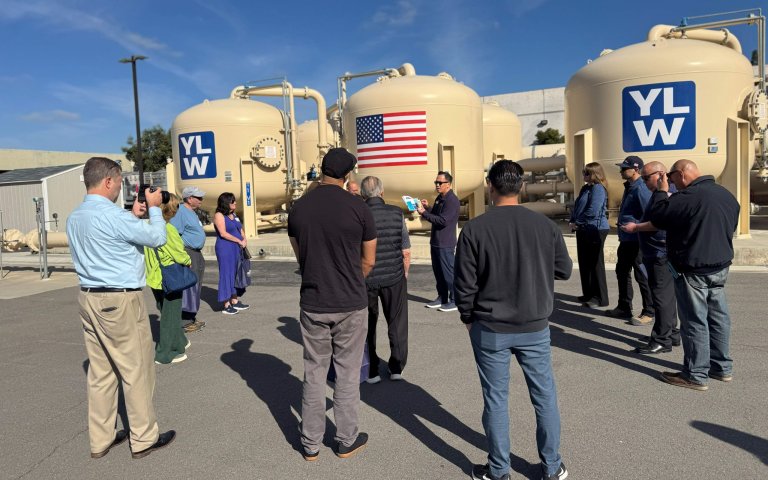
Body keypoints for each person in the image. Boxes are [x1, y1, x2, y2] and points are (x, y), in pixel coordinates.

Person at [455, 160, 571, 480]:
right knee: (544, 396)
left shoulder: (475, 229)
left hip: (490, 327)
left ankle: (499, 469)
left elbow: (463, 284)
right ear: (521, 187)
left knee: (496, 399)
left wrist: (467, 317)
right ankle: (551, 466)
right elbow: (563, 270)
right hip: (534, 326)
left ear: (490, 187)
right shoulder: (544, 226)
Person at [67, 157, 175, 459]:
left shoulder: (75, 216)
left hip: (88, 297)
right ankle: (143, 438)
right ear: (109, 182)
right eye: (118, 181)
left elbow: (114, 237)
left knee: (101, 373)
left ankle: (100, 439)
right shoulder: (114, 216)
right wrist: (153, 207)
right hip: (119, 300)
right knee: (136, 370)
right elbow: (156, 237)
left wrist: (134, 214)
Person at [288, 148, 377, 461]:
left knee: (314, 372)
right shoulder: (359, 208)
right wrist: (351, 280)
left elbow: (301, 256)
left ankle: (310, 444)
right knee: (347, 373)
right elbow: (369, 259)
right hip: (350, 301)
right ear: (348, 175)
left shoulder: (298, 208)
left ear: (322, 170)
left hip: (314, 300)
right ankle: (345, 439)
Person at [649, 159, 740, 391]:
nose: (670, 184)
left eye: (671, 179)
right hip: (719, 267)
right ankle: (721, 367)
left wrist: (661, 192)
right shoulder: (725, 194)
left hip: (693, 269)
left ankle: (696, 374)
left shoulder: (686, 197)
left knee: (694, 321)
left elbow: (658, 217)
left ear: (681, 174)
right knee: (719, 317)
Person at [620, 161, 680, 354]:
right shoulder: (660, 193)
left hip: (660, 254)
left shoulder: (667, 194)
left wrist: (636, 227)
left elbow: (659, 223)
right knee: (666, 297)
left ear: (661, 174)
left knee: (661, 297)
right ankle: (671, 333)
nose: (644, 182)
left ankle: (662, 340)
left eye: (647, 178)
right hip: (658, 253)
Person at [360, 175, 410, 384]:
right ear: (382, 192)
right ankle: (396, 366)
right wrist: (404, 273)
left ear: (363, 194)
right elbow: (405, 250)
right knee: (396, 322)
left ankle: (371, 370)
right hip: (394, 276)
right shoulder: (396, 213)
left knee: (367, 324)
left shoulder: (359, 214)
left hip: (366, 278)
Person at [606, 155, 654, 324]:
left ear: (636, 170)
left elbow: (649, 215)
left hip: (637, 240)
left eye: (624, 168)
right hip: (626, 239)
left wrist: (635, 226)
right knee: (622, 271)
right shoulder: (630, 186)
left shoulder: (641, 189)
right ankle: (624, 306)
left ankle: (649, 311)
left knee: (642, 275)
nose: (621, 171)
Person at [145, 194, 192, 364]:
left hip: (154, 276)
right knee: (170, 315)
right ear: (172, 210)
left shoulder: (148, 226)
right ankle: (165, 353)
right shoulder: (168, 229)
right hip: (169, 276)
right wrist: (188, 260)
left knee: (165, 310)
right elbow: (178, 253)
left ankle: (180, 341)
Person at [416, 170, 460, 312]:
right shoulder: (440, 198)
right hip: (435, 241)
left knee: (448, 273)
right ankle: (442, 297)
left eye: (440, 182)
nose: (437, 185)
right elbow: (435, 215)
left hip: (445, 243)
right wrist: (428, 207)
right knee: (438, 272)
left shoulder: (452, 200)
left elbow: (442, 220)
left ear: (449, 184)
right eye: (436, 182)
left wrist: (424, 213)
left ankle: (455, 300)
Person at [569, 162, 610, 308]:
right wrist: (573, 220)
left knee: (595, 263)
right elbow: (578, 206)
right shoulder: (585, 188)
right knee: (585, 263)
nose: (584, 176)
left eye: (587, 173)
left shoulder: (598, 189)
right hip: (583, 228)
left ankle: (599, 297)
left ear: (595, 174)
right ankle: (588, 294)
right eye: (583, 173)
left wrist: (578, 222)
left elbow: (593, 210)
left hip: (596, 229)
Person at [170, 186, 207, 333]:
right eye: (198, 198)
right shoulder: (181, 212)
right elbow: (174, 234)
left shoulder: (192, 212)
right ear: (189, 198)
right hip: (188, 253)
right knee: (189, 288)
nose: (201, 200)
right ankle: (184, 320)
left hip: (196, 252)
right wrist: (183, 256)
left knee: (196, 285)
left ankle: (190, 316)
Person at [213, 192, 249, 315]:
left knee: (235, 274)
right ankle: (226, 304)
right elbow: (223, 233)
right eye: (232, 201)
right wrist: (239, 240)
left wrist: (244, 239)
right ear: (226, 203)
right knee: (226, 274)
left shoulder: (233, 215)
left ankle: (234, 300)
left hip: (236, 248)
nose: (235, 203)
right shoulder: (219, 215)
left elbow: (240, 229)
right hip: (225, 248)